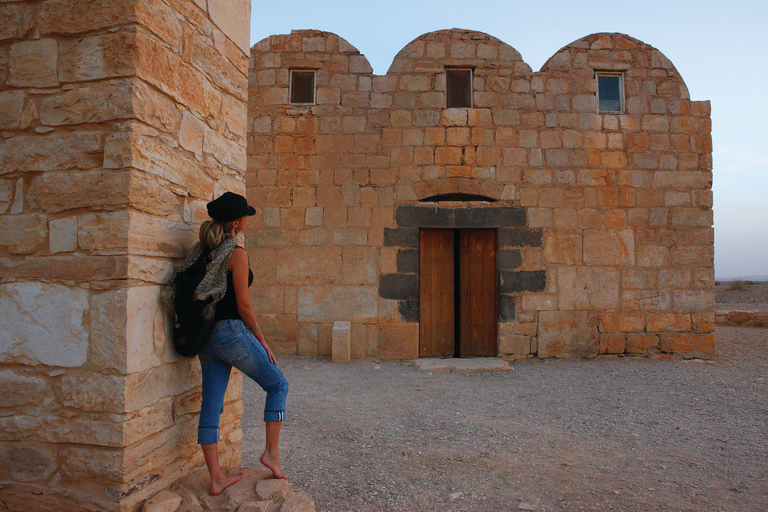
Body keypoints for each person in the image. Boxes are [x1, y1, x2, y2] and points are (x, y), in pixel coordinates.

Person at [192, 191, 289, 495]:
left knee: (211, 406)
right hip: (232, 333)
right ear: (237, 223)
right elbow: (244, 306)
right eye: (245, 215)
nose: (248, 219)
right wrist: (262, 339)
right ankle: (270, 454)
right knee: (278, 385)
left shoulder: (201, 251)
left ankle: (216, 477)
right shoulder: (237, 253)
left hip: (206, 339)